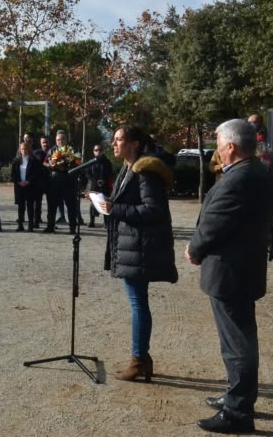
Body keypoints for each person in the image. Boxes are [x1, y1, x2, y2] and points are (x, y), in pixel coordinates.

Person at [186, 119, 273, 434]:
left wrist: (194, 249)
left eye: (219, 143)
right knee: (239, 341)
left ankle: (238, 413)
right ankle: (235, 398)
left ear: (231, 147)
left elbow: (214, 223)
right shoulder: (254, 173)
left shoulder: (240, 178)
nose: (217, 149)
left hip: (231, 272)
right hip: (241, 269)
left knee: (237, 345)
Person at [100, 125, 178, 382]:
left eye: (119, 140)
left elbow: (152, 210)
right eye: (114, 140)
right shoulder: (127, 168)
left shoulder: (145, 172)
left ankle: (139, 359)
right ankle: (141, 358)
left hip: (139, 247)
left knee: (138, 304)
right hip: (130, 245)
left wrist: (115, 208)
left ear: (134, 144)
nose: (114, 144)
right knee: (138, 302)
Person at [44, 131, 79, 234]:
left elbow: (78, 163)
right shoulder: (52, 150)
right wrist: (51, 165)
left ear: (66, 140)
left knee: (71, 206)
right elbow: (45, 163)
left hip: (68, 181)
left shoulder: (72, 150)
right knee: (52, 206)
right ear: (55, 141)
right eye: (58, 140)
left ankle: (72, 228)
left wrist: (68, 163)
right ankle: (50, 226)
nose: (60, 141)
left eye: (62, 139)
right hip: (54, 182)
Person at [10, 141, 44, 232]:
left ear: (29, 150)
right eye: (22, 149)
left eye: (25, 149)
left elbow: (36, 173)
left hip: (30, 186)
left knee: (30, 207)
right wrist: (18, 181)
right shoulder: (16, 161)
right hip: (19, 186)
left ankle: (30, 226)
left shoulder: (34, 160)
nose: (24, 151)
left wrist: (28, 181)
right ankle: (20, 225)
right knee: (21, 207)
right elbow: (13, 174)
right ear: (20, 151)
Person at [84, 143, 114, 228]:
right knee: (93, 203)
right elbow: (87, 173)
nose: (98, 152)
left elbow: (110, 173)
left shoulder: (107, 162)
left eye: (100, 150)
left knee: (105, 203)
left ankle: (106, 223)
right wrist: (95, 181)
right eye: (96, 150)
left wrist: (104, 181)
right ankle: (91, 221)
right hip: (94, 185)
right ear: (94, 152)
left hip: (104, 186)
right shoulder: (91, 162)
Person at [33, 136, 51, 227]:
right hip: (38, 182)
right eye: (43, 142)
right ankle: (36, 221)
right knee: (37, 203)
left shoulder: (54, 152)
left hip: (51, 182)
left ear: (49, 142)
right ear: (41, 143)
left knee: (51, 204)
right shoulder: (36, 153)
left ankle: (50, 223)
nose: (45, 144)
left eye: (46, 142)